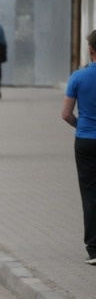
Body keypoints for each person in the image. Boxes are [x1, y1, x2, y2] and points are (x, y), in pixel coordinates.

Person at [61, 29, 96, 265]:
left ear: (91, 50)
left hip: (85, 141)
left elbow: (65, 114)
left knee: (90, 193)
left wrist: (80, 125)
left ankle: (94, 249)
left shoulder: (78, 77)